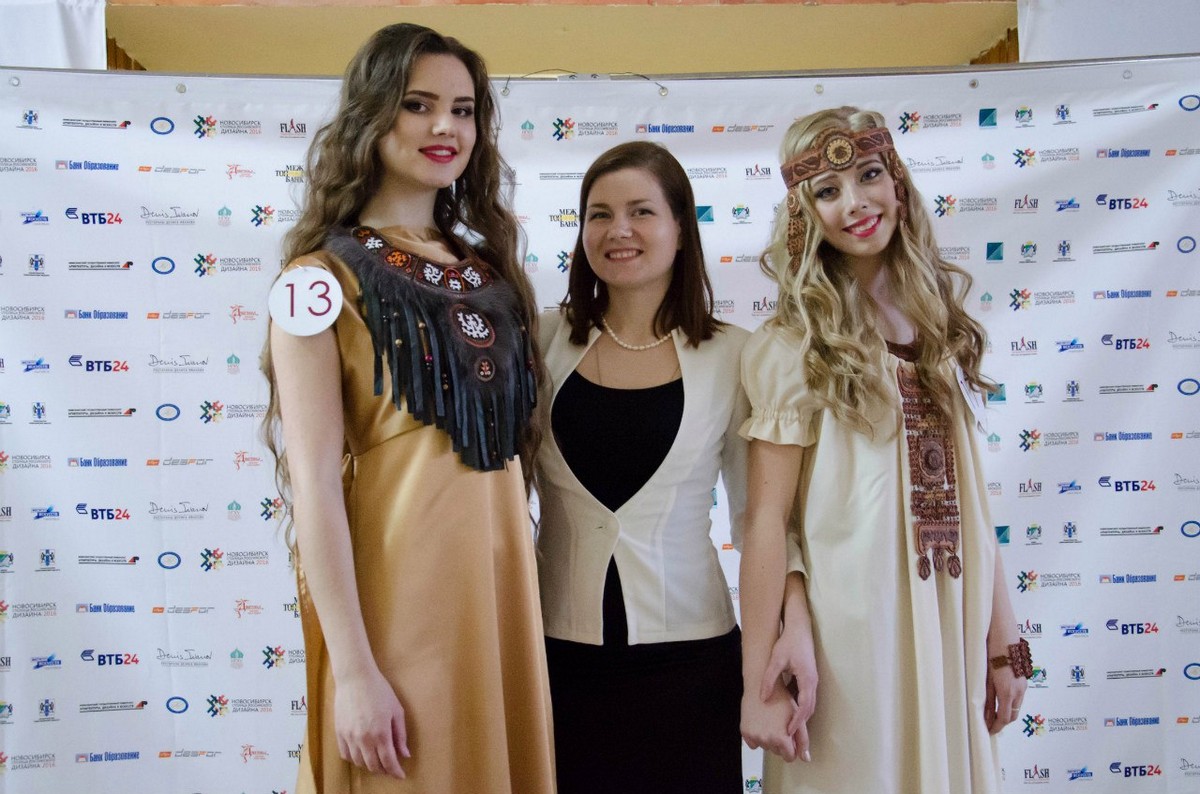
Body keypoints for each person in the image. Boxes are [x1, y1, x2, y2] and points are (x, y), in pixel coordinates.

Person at [262, 23, 554, 793]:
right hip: (397, 609)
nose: (444, 127)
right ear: (372, 114)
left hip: (498, 605)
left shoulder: (491, 275)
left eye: (463, 110)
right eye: (418, 104)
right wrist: (355, 670)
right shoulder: (318, 279)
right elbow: (314, 485)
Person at [738, 107, 1029, 794]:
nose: (855, 203)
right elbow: (766, 521)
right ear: (804, 215)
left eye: (868, 175)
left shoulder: (939, 330)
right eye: (827, 191)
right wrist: (758, 680)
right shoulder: (792, 346)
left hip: (952, 623)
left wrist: (1002, 637)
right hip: (848, 637)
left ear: (897, 182)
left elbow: (972, 504)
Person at [535, 141, 749, 793]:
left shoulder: (739, 356)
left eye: (641, 212)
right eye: (598, 214)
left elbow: (762, 519)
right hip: (558, 655)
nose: (618, 230)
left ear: (681, 228)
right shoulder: (537, 339)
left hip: (692, 662)